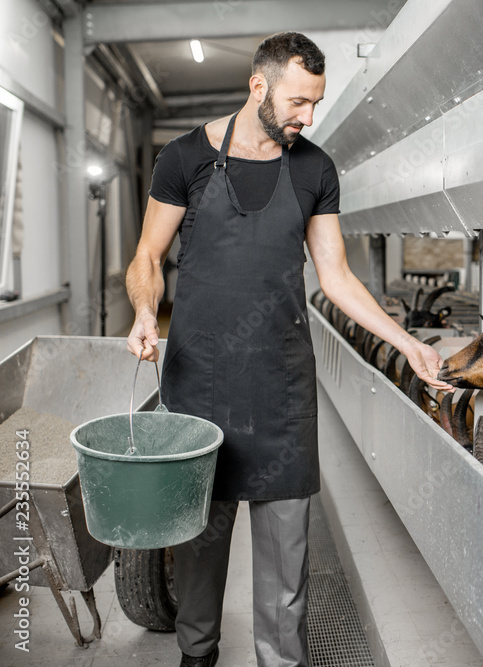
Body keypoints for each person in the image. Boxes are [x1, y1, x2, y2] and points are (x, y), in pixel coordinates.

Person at [125, 32, 453, 667]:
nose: (307, 117)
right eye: (299, 101)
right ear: (259, 86)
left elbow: (336, 277)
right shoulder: (184, 158)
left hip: (281, 391)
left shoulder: (314, 169)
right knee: (199, 541)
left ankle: (282, 661)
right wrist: (143, 310)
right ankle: (198, 654)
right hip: (201, 385)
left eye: (316, 104)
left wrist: (406, 341)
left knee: (285, 554)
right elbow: (147, 257)